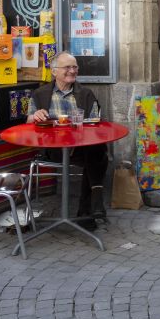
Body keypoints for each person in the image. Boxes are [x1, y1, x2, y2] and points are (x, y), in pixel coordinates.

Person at [28, 52, 107, 229]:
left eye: (75, 67)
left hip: (79, 148)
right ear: (54, 71)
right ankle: (91, 209)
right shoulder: (40, 94)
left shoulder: (86, 94)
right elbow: (28, 120)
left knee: (97, 151)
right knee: (96, 156)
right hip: (52, 149)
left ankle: (89, 207)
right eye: (67, 67)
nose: (72, 71)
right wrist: (36, 115)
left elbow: (96, 122)